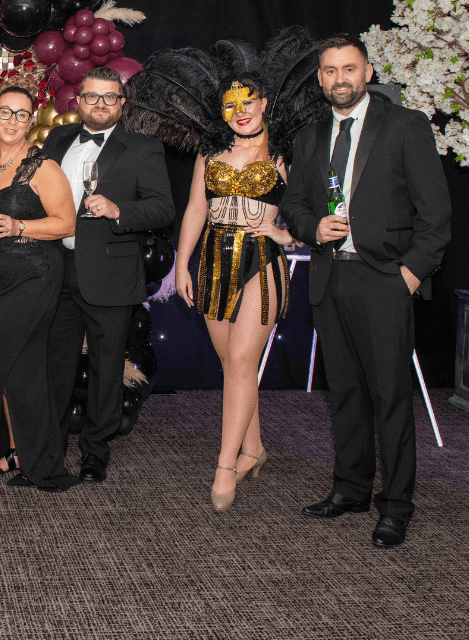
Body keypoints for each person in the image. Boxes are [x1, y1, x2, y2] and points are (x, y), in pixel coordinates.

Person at [281, 34, 450, 548]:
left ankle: (396, 505)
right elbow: (293, 205)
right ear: (320, 79)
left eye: (349, 69)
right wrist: (312, 228)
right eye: (330, 71)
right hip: (330, 278)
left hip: (385, 280)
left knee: (390, 396)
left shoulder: (405, 125)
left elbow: (436, 215)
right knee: (345, 394)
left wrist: (410, 274)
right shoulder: (310, 136)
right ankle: (351, 488)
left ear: (369, 72)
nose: (340, 79)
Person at [43, 67, 174, 484]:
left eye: (109, 97)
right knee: (56, 365)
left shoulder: (144, 148)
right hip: (58, 269)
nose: (100, 104)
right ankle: (49, 450)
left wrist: (119, 210)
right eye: (92, 97)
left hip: (111, 272)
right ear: (78, 100)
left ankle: (95, 452)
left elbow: (163, 208)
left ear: (122, 102)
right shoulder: (58, 139)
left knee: (106, 367)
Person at [174, 74, 293, 511]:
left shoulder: (284, 152)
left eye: (248, 101)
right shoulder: (210, 153)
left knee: (242, 361)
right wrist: (181, 264)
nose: (240, 111)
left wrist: (287, 234)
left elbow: (315, 203)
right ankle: (254, 447)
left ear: (264, 103)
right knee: (232, 364)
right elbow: (195, 208)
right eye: (230, 104)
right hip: (214, 260)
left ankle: (225, 466)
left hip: (261, 261)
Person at [0, 86, 79, 492]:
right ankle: (10, 450)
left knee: (25, 368)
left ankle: (39, 460)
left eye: (21, 114)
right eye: (5, 112)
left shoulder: (42, 167)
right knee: (3, 364)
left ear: (32, 120)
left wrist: (19, 226)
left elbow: (67, 223)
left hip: (32, 275)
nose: (12, 120)